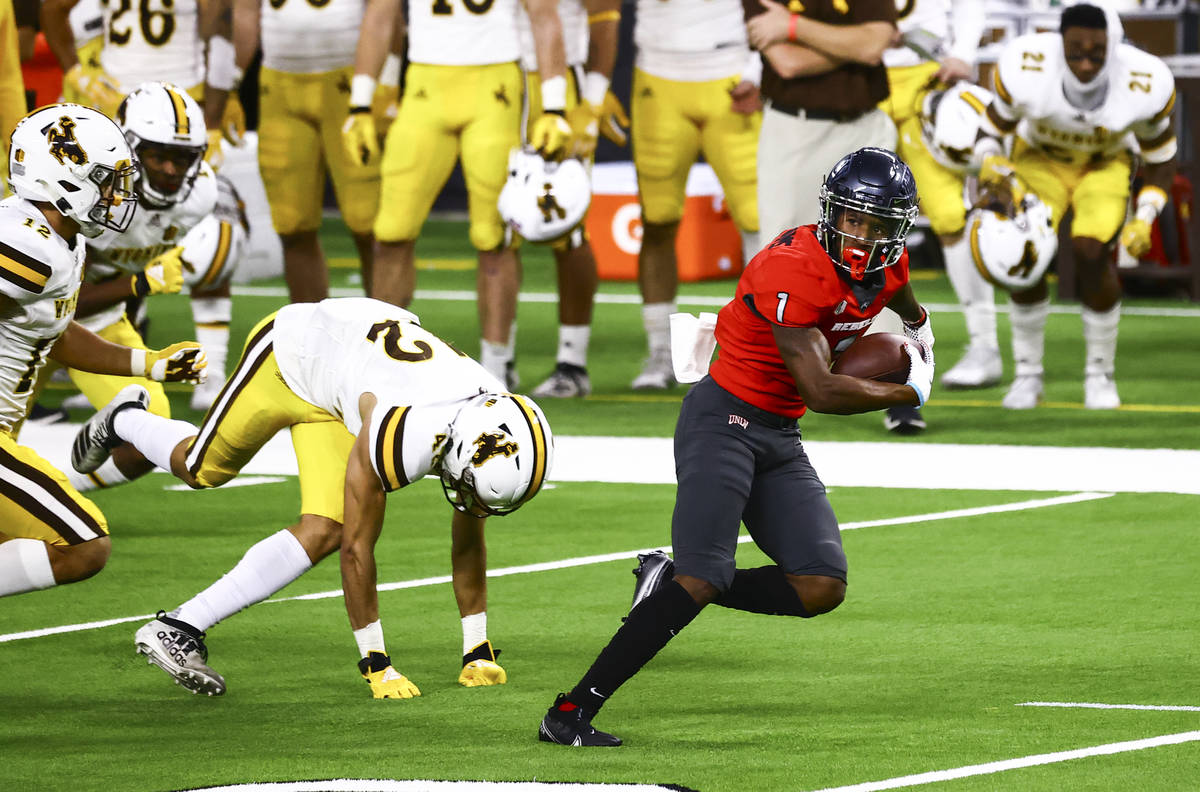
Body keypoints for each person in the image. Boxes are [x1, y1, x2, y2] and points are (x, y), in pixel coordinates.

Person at [537, 147, 934, 746]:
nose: (861, 234)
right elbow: (822, 391)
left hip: (777, 433)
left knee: (821, 585)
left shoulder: (891, 267)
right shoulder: (794, 267)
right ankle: (569, 712)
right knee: (705, 576)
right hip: (723, 421)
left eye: (876, 225)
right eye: (852, 218)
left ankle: (664, 579)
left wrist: (921, 338)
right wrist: (908, 394)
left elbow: (911, 312)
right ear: (832, 213)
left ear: (896, 230)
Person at [72, 296, 554, 698]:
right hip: (292, 354)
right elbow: (358, 552)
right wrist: (377, 664)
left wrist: (477, 648)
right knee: (203, 468)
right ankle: (125, 418)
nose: (468, 498)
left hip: (349, 375)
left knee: (325, 526)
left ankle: (179, 626)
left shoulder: (489, 417)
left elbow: (469, 539)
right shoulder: (404, 430)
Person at [0, 103, 206, 598]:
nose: (119, 195)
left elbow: (57, 333)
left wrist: (148, 363)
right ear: (63, 178)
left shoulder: (60, 240)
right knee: (82, 544)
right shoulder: (27, 244)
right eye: (107, 180)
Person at [343, 0, 572, 388]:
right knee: (391, 231)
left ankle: (496, 368)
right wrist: (360, 102)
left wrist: (555, 107)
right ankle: (383, 365)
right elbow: (381, 13)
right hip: (425, 84)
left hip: (493, 81)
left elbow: (543, 13)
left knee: (493, 236)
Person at [41, 0, 246, 411]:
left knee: (215, 236)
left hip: (185, 110)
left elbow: (219, 31)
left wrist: (221, 106)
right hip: (117, 109)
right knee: (96, 243)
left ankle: (212, 369)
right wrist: (76, 68)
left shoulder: (199, 184)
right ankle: (96, 352)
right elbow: (53, 8)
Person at [974, 1, 1177, 409]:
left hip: (1104, 163)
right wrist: (990, 158)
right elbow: (990, 128)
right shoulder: (1027, 67)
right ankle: (1028, 374)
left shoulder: (1144, 80)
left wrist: (1146, 215)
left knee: (1091, 251)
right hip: (1038, 158)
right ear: (1058, 46)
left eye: (1096, 54)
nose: (1085, 64)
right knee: (1024, 258)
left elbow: (1161, 158)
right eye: (1075, 53)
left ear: (1113, 47)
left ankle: (1099, 373)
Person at [53, 83, 246, 494]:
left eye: (183, 158)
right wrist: (141, 282)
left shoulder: (201, 195)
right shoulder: (86, 190)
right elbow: (56, 301)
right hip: (24, 322)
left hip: (99, 322)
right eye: (158, 156)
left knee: (155, 438)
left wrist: (140, 287)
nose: (172, 171)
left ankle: (58, 492)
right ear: (129, 149)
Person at [743, 1, 911, 429]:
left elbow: (872, 47)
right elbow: (787, 61)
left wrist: (793, 24)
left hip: (864, 126)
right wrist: (852, 44)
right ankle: (767, 388)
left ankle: (897, 387)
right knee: (780, 268)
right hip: (792, 131)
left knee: (880, 258)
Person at [626, 0, 762, 391]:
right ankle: (660, 352)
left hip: (730, 69)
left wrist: (756, 67)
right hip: (657, 71)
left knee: (757, 224)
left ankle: (765, 350)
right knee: (657, 218)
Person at [231, 0, 393, 305]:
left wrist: (372, 92)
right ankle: (310, 338)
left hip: (349, 78)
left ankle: (384, 336)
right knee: (292, 225)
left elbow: (385, 12)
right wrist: (230, 84)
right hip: (279, 83)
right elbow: (245, 12)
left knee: (369, 224)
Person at [881, 0, 999, 400]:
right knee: (850, 214)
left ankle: (984, 346)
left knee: (949, 215)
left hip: (925, 71)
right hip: (858, 78)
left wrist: (962, 52)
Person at [519, 0, 622, 399]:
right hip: (495, 78)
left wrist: (593, 101)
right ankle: (498, 364)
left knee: (567, 227)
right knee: (496, 231)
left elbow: (605, 17)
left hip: (563, 81)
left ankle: (572, 363)